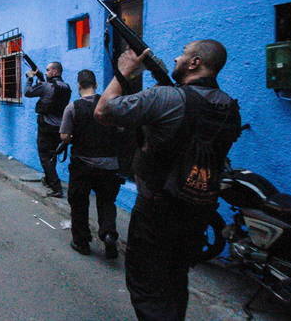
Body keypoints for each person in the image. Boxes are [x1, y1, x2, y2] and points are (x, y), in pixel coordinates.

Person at [95, 39, 241, 321]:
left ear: (195, 62)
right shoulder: (228, 106)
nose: (176, 58)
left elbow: (103, 111)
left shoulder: (165, 98)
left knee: (149, 288)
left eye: (183, 54)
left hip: (157, 211)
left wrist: (124, 72)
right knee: (175, 280)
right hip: (197, 210)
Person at [59, 70, 124, 258]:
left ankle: (81, 242)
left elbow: (64, 135)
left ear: (79, 85)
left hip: (83, 164)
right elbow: (120, 129)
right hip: (110, 165)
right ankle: (109, 234)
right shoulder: (109, 105)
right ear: (95, 85)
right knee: (107, 202)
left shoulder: (73, 107)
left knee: (79, 202)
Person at [24, 62, 71, 198]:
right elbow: (52, 95)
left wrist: (30, 78)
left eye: (48, 70)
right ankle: (50, 180)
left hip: (46, 126)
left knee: (44, 157)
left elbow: (28, 92)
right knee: (52, 155)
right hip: (60, 126)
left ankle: (56, 187)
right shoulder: (66, 87)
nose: (46, 72)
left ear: (55, 72)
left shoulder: (46, 86)